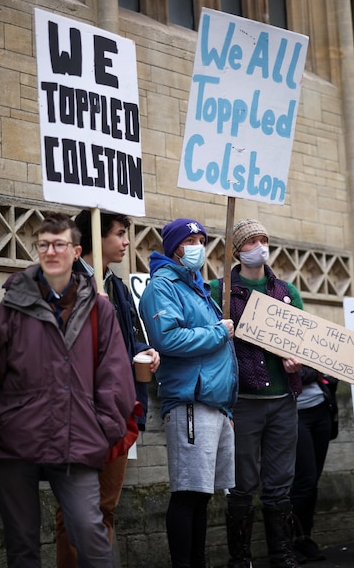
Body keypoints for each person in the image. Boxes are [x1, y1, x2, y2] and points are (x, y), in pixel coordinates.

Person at [0, 212, 135, 568]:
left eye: (60, 244)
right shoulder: (12, 305)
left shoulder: (99, 308)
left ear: (76, 251)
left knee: (90, 533)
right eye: (44, 245)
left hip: (78, 439)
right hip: (14, 442)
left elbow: (116, 376)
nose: (51, 251)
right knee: (22, 545)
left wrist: (103, 430)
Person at [54, 211, 161, 568]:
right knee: (75, 509)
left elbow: (128, 343)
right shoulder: (62, 284)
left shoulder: (117, 286)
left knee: (105, 506)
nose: (126, 242)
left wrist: (143, 354)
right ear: (95, 238)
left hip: (118, 412)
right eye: (118, 233)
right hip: (79, 413)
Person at [138, 218, 238, 568]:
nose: (197, 245)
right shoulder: (162, 287)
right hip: (190, 402)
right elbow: (168, 339)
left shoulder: (198, 288)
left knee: (201, 496)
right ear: (173, 247)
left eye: (200, 239)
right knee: (187, 493)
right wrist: (218, 333)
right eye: (189, 239)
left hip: (213, 403)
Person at [208, 218, 304, 568]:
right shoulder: (220, 291)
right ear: (237, 250)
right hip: (244, 402)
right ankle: (241, 558)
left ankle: (282, 554)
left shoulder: (286, 292)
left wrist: (298, 362)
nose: (259, 246)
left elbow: (304, 343)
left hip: (283, 402)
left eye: (263, 239)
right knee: (242, 482)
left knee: (280, 481)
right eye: (250, 241)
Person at [289, 367, 338, 563]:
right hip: (295, 412)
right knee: (305, 479)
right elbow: (293, 375)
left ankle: (304, 537)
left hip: (321, 409)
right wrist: (318, 371)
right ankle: (287, 540)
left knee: (313, 480)